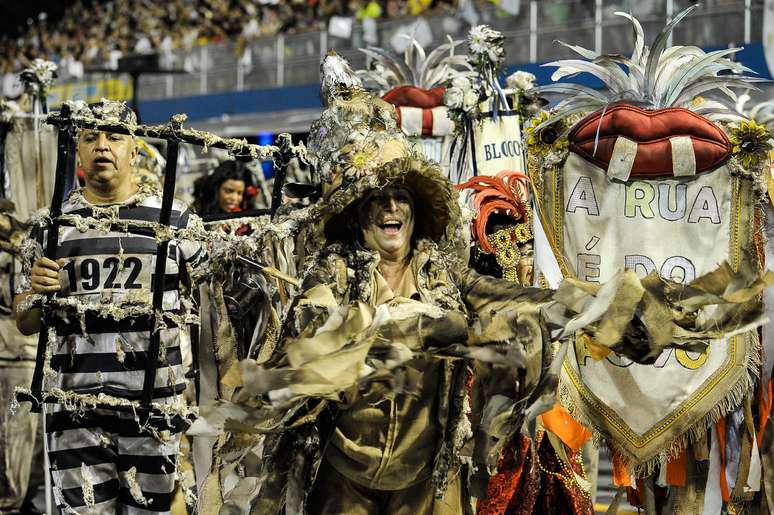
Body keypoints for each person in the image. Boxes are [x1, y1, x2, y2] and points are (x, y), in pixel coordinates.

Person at [14, 100, 204, 514]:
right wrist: (36, 293)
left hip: (152, 411)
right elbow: (24, 319)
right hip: (75, 413)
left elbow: (214, 303)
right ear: (78, 150)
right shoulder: (51, 226)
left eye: (115, 136)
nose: (103, 145)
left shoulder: (174, 219)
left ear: (134, 150)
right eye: (91, 136)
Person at [192, 159, 257, 217]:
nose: (234, 198)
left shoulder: (249, 220)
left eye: (240, 193)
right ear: (216, 189)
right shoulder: (195, 216)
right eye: (229, 191)